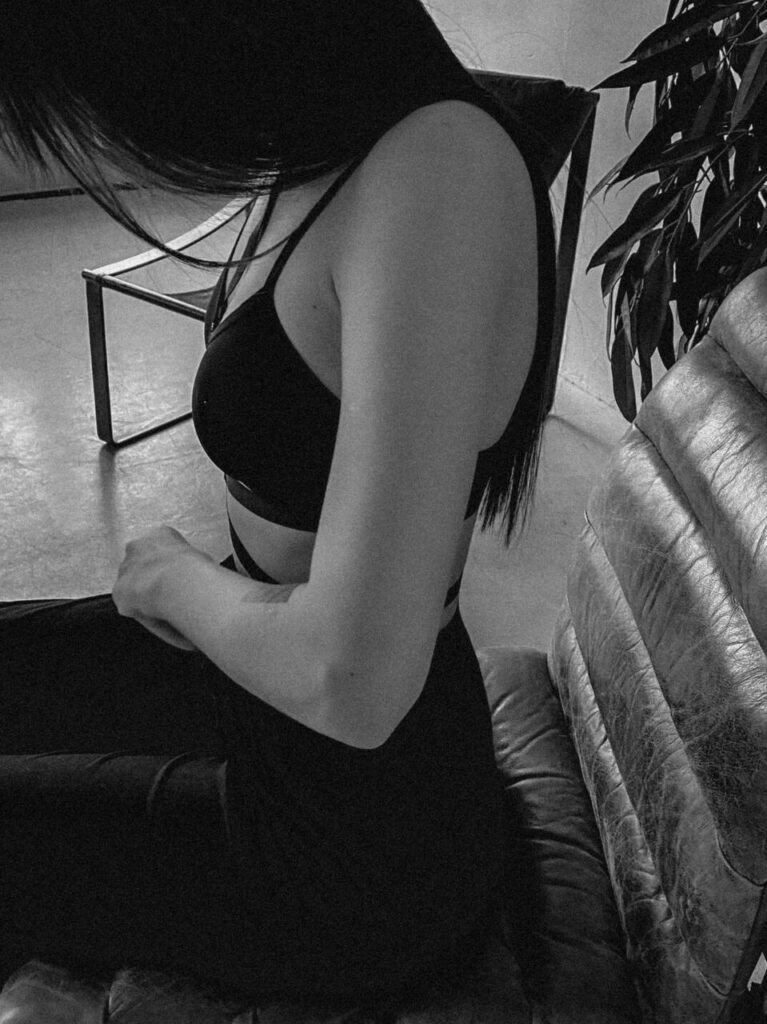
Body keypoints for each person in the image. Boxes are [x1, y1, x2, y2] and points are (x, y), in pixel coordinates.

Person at [0, 0, 557, 1017]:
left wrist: (178, 581)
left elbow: (353, 677)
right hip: (269, 705)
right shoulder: (322, 149)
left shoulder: (438, 170)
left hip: (355, 850)